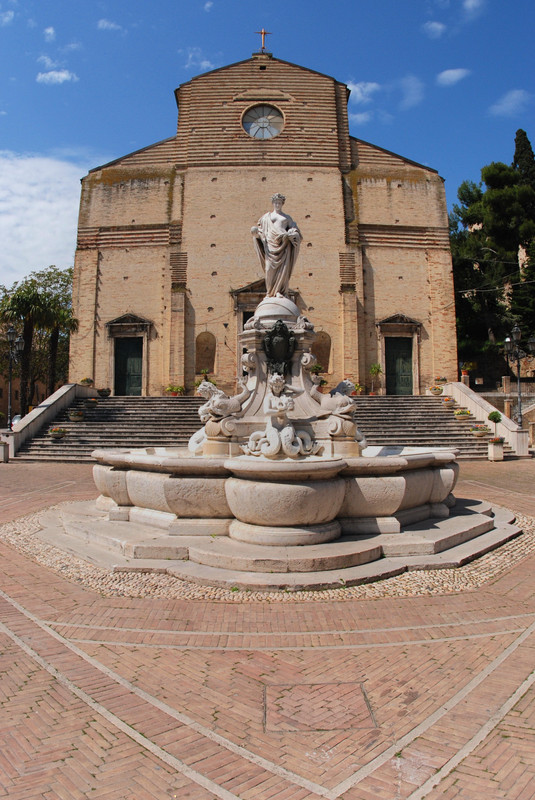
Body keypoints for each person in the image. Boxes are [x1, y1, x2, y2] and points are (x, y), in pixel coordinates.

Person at [251, 193, 302, 297]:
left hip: (284, 243)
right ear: (273, 203)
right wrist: (256, 232)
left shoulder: (286, 218)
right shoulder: (266, 217)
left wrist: (292, 233)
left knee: (283, 268)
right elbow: (260, 230)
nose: (277, 204)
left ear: (282, 204)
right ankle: (270, 293)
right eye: (275, 202)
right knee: (269, 269)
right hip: (270, 245)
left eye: (279, 202)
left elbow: (295, 229)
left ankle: (279, 291)